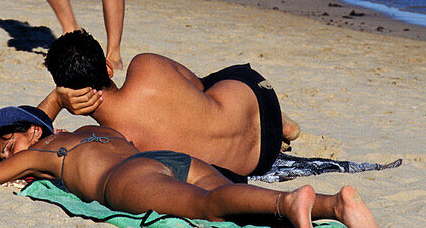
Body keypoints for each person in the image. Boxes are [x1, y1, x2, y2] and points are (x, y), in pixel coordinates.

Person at [0, 107, 383, 228]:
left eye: (8, 143)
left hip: (124, 180)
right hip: (165, 157)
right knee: (230, 194)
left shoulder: (40, 153)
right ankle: (334, 204)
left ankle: (288, 201)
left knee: (208, 208)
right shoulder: (90, 129)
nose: (6, 154)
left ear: (33, 131)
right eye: (1, 152)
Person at [37, 29, 299, 180]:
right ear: (108, 68)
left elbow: (31, 141)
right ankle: (283, 125)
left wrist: (55, 101)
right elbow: (198, 86)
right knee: (202, 86)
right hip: (261, 100)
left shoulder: (110, 141)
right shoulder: (145, 66)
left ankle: (275, 131)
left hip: (258, 162)